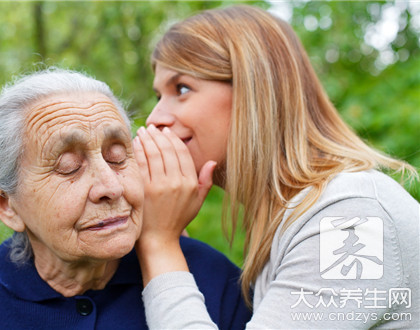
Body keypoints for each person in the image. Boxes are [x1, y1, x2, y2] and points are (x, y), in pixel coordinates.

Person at [133, 5, 419, 329]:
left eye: (181, 88)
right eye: (159, 95)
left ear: (252, 90)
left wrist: (160, 246)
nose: (155, 118)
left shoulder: (350, 217)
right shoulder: (294, 216)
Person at [0, 68, 251, 329]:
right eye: (68, 168)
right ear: (5, 203)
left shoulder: (209, 280)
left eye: (119, 156)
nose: (111, 186)